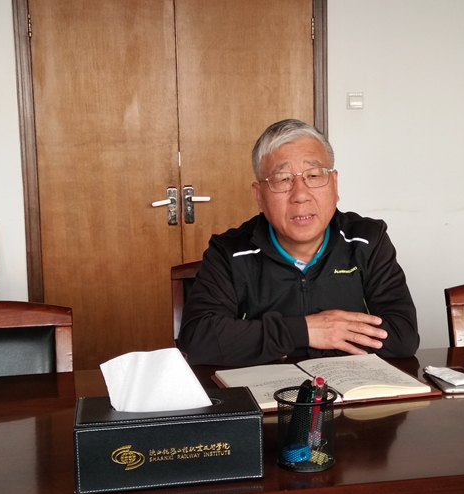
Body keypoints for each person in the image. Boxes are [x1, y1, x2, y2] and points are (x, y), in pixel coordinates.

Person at [178, 118, 419, 366]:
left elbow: (402, 336)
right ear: (259, 196)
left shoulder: (367, 240)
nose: (300, 195)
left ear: (334, 184)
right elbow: (197, 340)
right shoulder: (229, 252)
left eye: (313, 175)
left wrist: (277, 342)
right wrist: (304, 331)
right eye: (283, 179)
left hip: (350, 388)